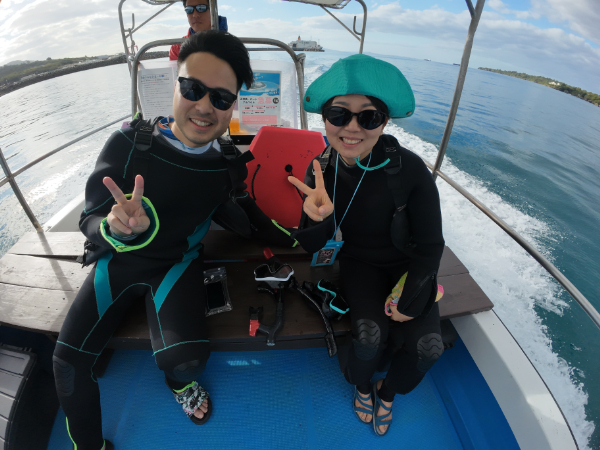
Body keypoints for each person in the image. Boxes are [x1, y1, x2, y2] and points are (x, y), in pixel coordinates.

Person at [53, 30, 296, 450]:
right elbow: (90, 218)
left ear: (233, 105)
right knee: (67, 365)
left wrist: (305, 227)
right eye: (193, 89)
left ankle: (178, 385)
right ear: (176, 84)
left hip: (176, 265)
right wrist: (113, 228)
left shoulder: (226, 166)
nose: (204, 106)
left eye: (221, 97)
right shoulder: (130, 145)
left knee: (185, 361)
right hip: (118, 262)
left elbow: (249, 223)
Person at [288, 54, 445, 436]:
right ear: (325, 119)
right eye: (339, 114)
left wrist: (410, 300)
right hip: (359, 263)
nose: (352, 127)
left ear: (384, 122)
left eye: (369, 117)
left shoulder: (409, 169)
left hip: (407, 264)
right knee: (368, 338)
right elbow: (314, 249)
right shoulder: (321, 170)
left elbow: (430, 245)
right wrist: (317, 220)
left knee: (428, 347)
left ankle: (386, 392)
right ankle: (361, 385)